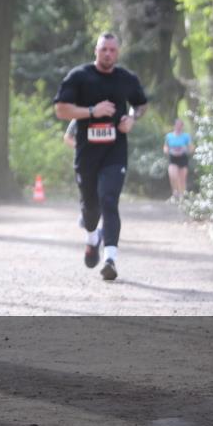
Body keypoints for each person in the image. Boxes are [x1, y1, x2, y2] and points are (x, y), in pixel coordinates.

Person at [53, 33, 148, 281]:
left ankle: (111, 259)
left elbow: (141, 104)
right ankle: (92, 237)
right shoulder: (80, 77)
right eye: (104, 49)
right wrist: (92, 111)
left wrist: (132, 118)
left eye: (112, 50)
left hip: (115, 154)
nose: (108, 54)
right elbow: (61, 109)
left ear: (118, 53)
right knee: (91, 208)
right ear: (96, 50)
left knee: (109, 200)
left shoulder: (126, 79)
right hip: (86, 155)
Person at [163, 118, 193, 201]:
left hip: (183, 158)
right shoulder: (169, 136)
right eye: (177, 125)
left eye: (180, 125)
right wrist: (167, 151)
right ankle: (175, 192)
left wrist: (185, 149)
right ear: (174, 125)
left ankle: (182, 195)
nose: (178, 126)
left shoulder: (186, 136)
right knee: (173, 175)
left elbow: (191, 148)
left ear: (182, 126)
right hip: (173, 157)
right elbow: (166, 146)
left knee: (182, 178)